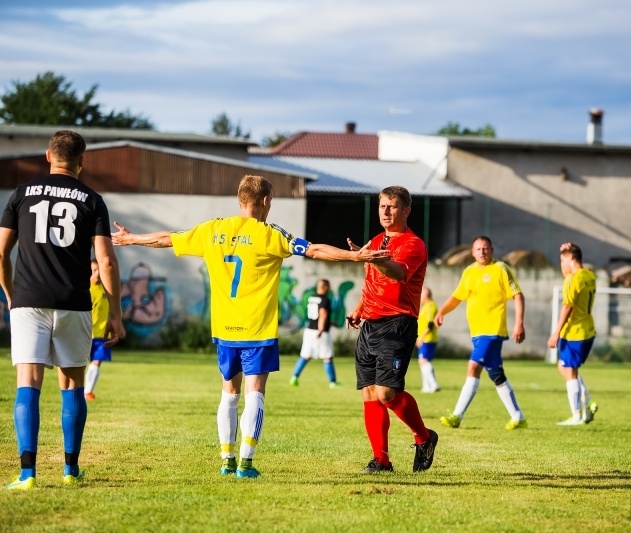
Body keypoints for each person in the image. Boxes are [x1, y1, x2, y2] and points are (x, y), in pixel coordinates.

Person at [112, 174, 389, 479]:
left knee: (229, 393)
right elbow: (313, 250)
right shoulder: (269, 234)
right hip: (257, 329)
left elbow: (168, 238)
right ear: (265, 201)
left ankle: (226, 459)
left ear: (239, 198)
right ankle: (246, 462)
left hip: (224, 328)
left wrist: (131, 239)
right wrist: (355, 255)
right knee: (255, 391)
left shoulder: (213, 229)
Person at [0, 130, 125, 490]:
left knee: (28, 381)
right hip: (74, 302)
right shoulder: (92, 199)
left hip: (29, 300)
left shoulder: (22, 193)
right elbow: (107, 261)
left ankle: (27, 473)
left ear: (47, 156)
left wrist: (10, 295)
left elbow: (0, 253)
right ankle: (70, 470)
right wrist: (115, 313)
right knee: (72, 383)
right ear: (82, 161)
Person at [345, 185, 438, 474]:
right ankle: (381, 460)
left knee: (387, 393)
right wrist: (359, 308)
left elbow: (397, 273)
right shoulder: (375, 241)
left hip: (397, 324)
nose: (385, 211)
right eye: (382, 206)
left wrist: (372, 257)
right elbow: (371, 283)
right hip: (370, 325)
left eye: (392, 206)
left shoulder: (413, 244)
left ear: (406, 210)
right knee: (370, 393)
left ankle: (424, 437)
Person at [435, 236, 526, 430]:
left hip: (493, 330)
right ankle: (518, 417)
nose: (482, 252)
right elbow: (456, 296)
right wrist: (441, 312)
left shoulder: (500, 268)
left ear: (491, 250)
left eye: (485, 248)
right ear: (473, 252)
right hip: (477, 332)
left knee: (473, 367)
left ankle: (457, 416)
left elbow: (518, 295)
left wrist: (519, 323)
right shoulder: (469, 272)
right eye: (478, 249)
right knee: (496, 374)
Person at [547, 242, 598, 426]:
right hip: (587, 330)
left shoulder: (573, 279)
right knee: (565, 368)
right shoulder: (589, 275)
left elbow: (567, 306)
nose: (561, 265)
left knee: (569, 371)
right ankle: (588, 403)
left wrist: (556, 333)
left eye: (563, 260)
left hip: (574, 333)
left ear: (570, 258)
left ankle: (576, 415)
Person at [289, 279, 340, 388]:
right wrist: (321, 329)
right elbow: (322, 314)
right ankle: (332, 382)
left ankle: (294, 378)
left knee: (305, 355)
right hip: (321, 332)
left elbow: (315, 315)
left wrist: (330, 323)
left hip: (309, 330)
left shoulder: (312, 298)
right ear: (325, 286)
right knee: (327, 357)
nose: (329, 288)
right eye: (328, 286)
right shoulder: (325, 299)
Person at [84, 259, 113, 401]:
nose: (96, 274)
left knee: (97, 361)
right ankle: (77, 390)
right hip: (84, 333)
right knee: (79, 364)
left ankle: (88, 391)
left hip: (101, 334)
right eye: (93, 270)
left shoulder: (106, 289)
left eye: (99, 270)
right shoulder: (84, 290)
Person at [416, 286, 440, 393]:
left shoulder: (431, 305)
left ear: (426, 295)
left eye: (421, 294)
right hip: (424, 338)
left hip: (428, 338)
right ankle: (426, 386)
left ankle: (434, 384)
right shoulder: (425, 306)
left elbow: (430, 324)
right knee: (423, 361)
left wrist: (421, 337)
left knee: (423, 360)